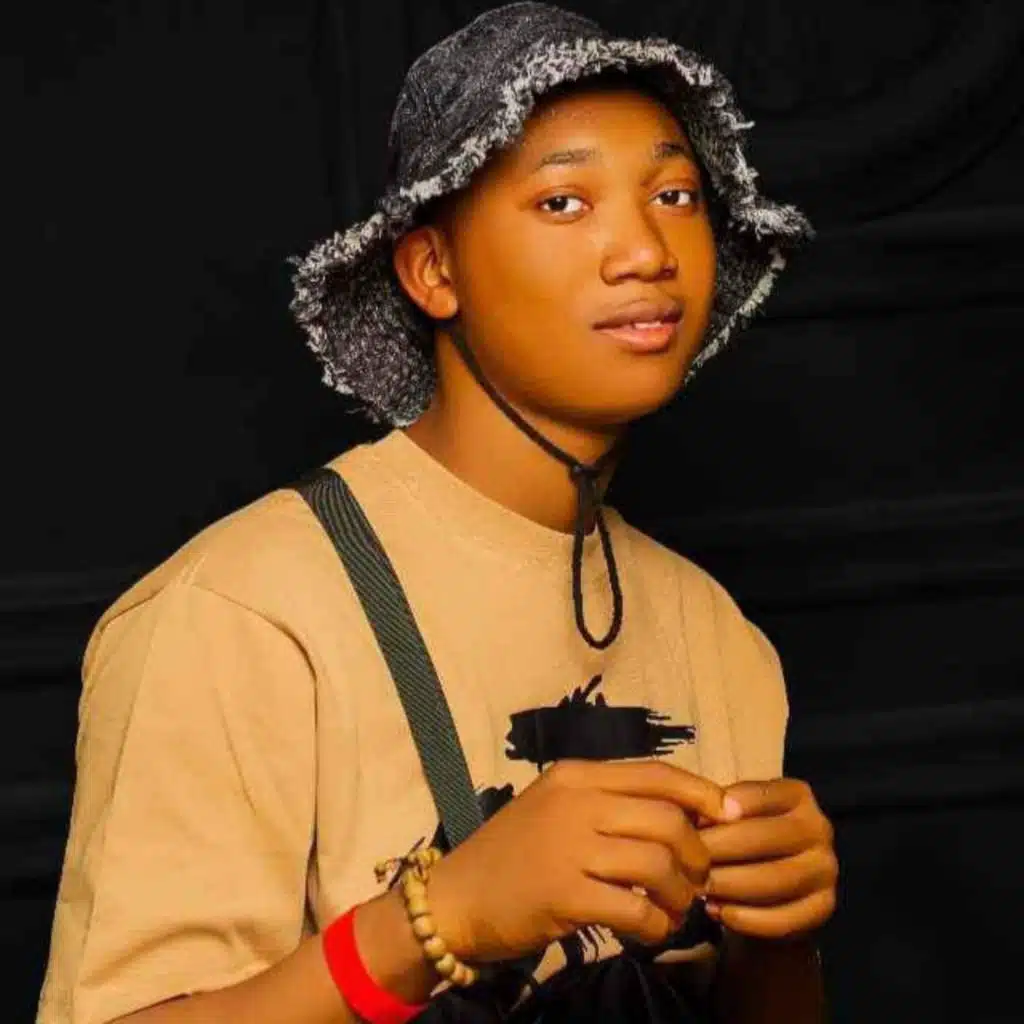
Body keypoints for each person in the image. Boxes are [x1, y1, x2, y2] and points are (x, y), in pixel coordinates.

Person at [37, 4, 838, 1023]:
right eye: (563, 202)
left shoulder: (718, 635)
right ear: (433, 270)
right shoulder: (241, 612)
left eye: (674, 195)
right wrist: (438, 920)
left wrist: (781, 943)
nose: (645, 250)